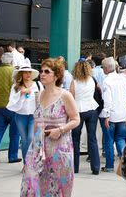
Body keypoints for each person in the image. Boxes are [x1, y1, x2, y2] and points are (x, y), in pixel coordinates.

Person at [20, 58, 80, 197]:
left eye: (47, 71)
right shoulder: (39, 95)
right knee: (31, 184)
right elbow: (37, 121)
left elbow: (76, 119)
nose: (42, 74)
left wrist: (60, 130)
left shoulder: (65, 95)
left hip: (59, 148)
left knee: (57, 186)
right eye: (41, 71)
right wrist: (32, 148)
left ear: (57, 75)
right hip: (38, 148)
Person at [69, 58, 101, 174]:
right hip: (91, 109)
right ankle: (95, 167)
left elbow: (71, 98)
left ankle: (75, 167)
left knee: (75, 139)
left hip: (78, 110)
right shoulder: (92, 80)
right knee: (92, 138)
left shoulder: (74, 82)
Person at [100, 56, 126, 172]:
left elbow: (107, 100)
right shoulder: (123, 79)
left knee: (109, 140)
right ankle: (125, 163)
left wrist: (106, 115)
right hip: (122, 114)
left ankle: (109, 166)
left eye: (103, 67)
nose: (102, 69)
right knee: (120, 139)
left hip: (111, 115)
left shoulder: (107, 81)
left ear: (106, 68)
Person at [8, 60, 41, 161]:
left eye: (29, 72)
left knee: (30, 138)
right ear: (21, 73)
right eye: (26, 72)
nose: (28, 74)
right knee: (24, 139)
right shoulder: (16, 86)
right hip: (20, 115)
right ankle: (26, 163)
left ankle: (29, 162)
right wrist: (21, 93)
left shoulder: (38, 84)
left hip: (33, 115)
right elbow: (11, 101)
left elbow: (42, 98)